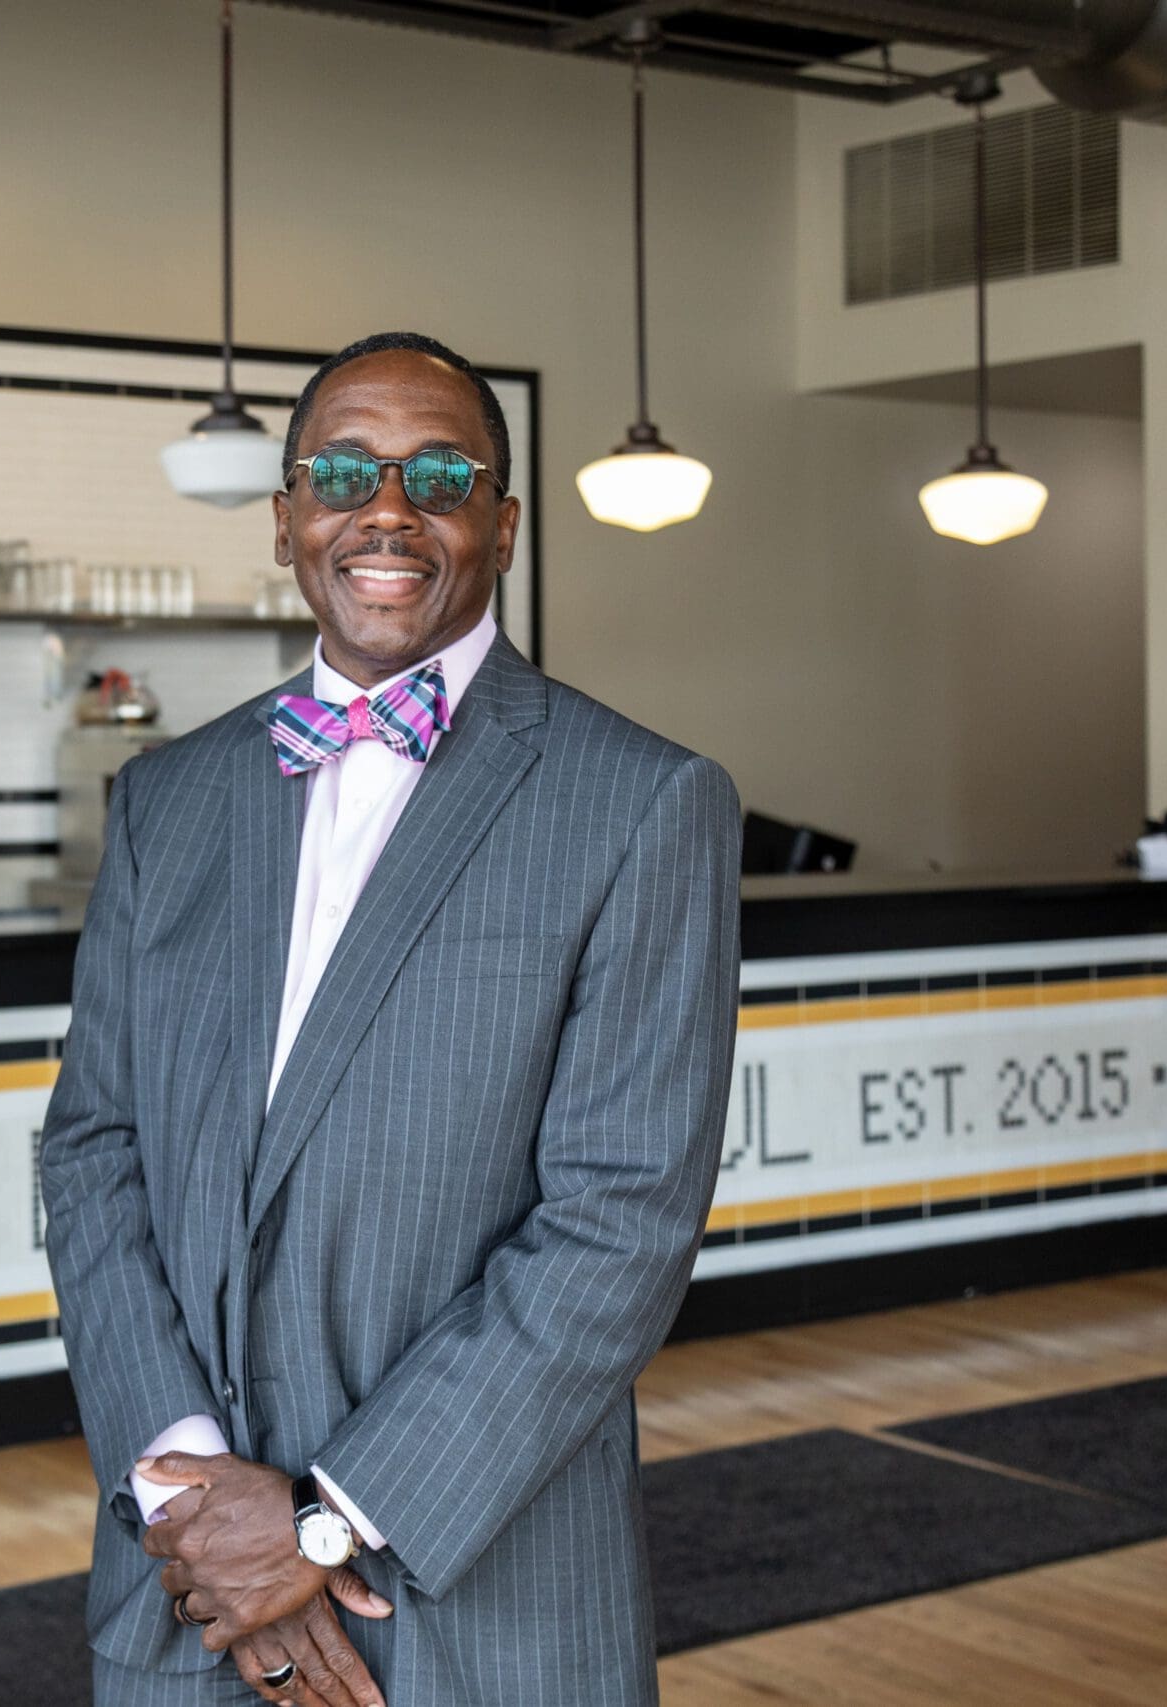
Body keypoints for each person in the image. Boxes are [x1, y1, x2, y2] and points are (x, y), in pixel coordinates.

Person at [41, 332, 740, 1706]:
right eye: (346, 473)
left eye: (441, 477)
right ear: (291, 515)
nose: (388, 511)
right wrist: (192, 1495)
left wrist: (319, 1522)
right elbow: (91, 1149)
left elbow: (620, 1220)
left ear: (505, 525)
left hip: (477, 1603)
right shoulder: (170, 800)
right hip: (186, 1595)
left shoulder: (644, 802)